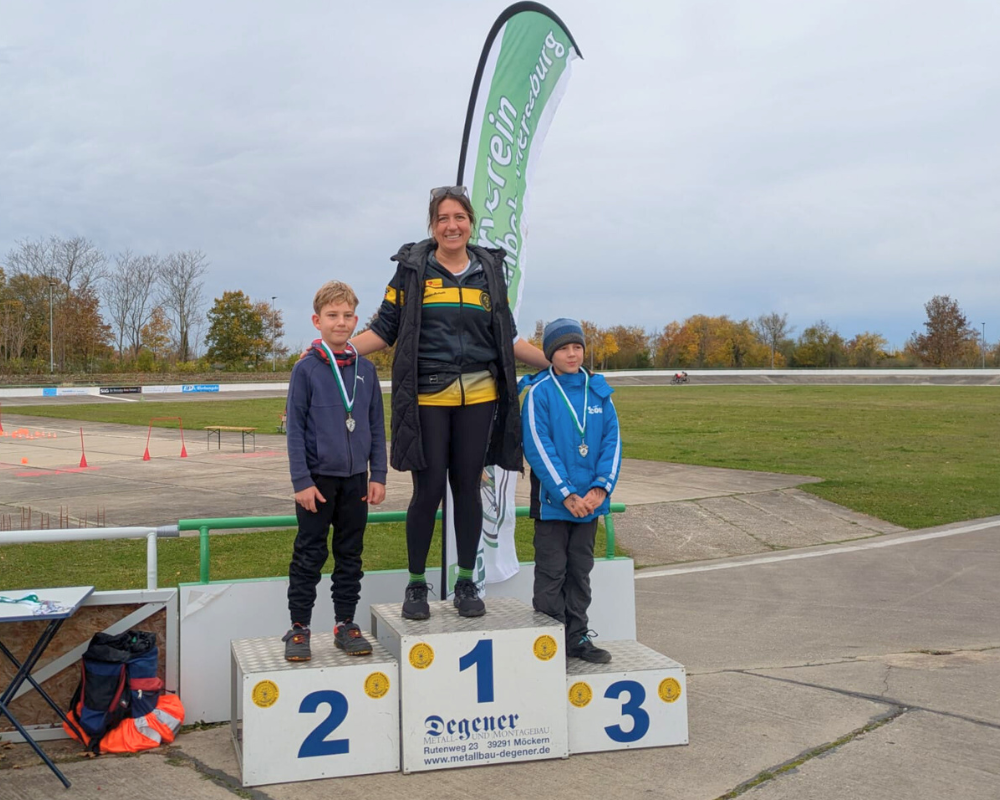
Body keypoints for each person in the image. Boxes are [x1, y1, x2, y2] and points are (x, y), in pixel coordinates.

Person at [349, 186, 548, 620]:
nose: (452, 225)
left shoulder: (491, 272)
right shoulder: (411, 270)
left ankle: (465, 584)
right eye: (443, 218)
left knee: (468, 491)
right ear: (432, 225)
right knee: (429, 490)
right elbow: (385, 328)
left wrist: (553, 359)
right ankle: (417, 585)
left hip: (480, 397)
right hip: (427, 397)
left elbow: (508, 337)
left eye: (459, 217)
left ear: (470, 222)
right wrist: (337, 350)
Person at [282, 280, 387, 661]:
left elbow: (377, 426)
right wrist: (301, 481)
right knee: (309, 555)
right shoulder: (306, 370)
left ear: (356, 320)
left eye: (346, 316)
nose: (340, 323)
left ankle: (345, 623)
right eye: (332, 316)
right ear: (317, 320)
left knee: (350, 555)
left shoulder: (367, 371)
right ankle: (299, 628)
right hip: (318, 482)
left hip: (356, 479)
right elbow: (294, 430)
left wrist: (379, 475)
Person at [520, 318, 622, 663]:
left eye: (577, 346)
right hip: (554, 504)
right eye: (564, 348)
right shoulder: (539, 393)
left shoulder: (599, 391)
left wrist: (600, 490)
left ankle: (577, 638)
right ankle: (549, 646)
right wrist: (565, 492)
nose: (572, 353)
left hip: (590, 504)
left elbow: (613, 442)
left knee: (580, 573)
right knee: (552, 574)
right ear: (550, 353)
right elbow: (537, 446)